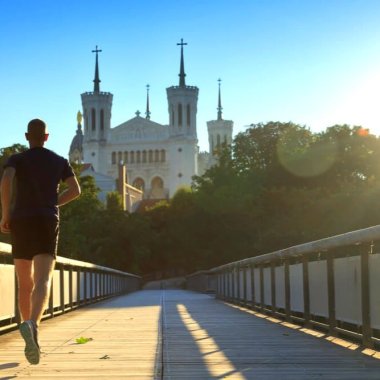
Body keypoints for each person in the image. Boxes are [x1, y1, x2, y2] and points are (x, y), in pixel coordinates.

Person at [0, 119, 81, 365]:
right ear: (46, 137)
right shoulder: (59, 161)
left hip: (21, 220)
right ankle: (33, 324)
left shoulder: (17, 159)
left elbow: (6, 180)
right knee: (43, 278)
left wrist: (5, 214)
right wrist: (52, 203)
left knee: (24, 281)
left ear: (27, 136)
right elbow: (76, 190)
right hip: (46, 220)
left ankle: (27, 328)